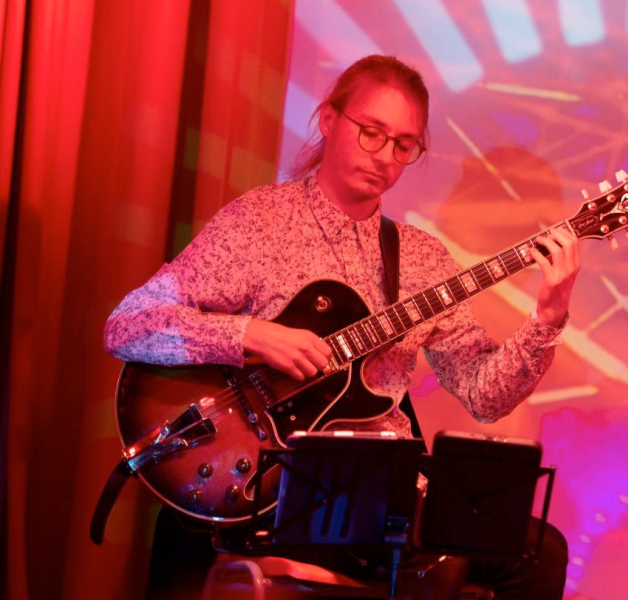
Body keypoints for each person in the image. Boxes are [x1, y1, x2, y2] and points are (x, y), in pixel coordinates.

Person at [105, 55, 579, 600]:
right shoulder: (260, 221)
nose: (384, 157)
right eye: (371, 133)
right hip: (273, 483)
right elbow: (129, 326)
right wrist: (251, 336)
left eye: (403, 145)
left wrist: (549, 315)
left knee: (540, 552)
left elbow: (484, 395)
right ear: (330, 119)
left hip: (382, 494)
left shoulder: (422, 258)